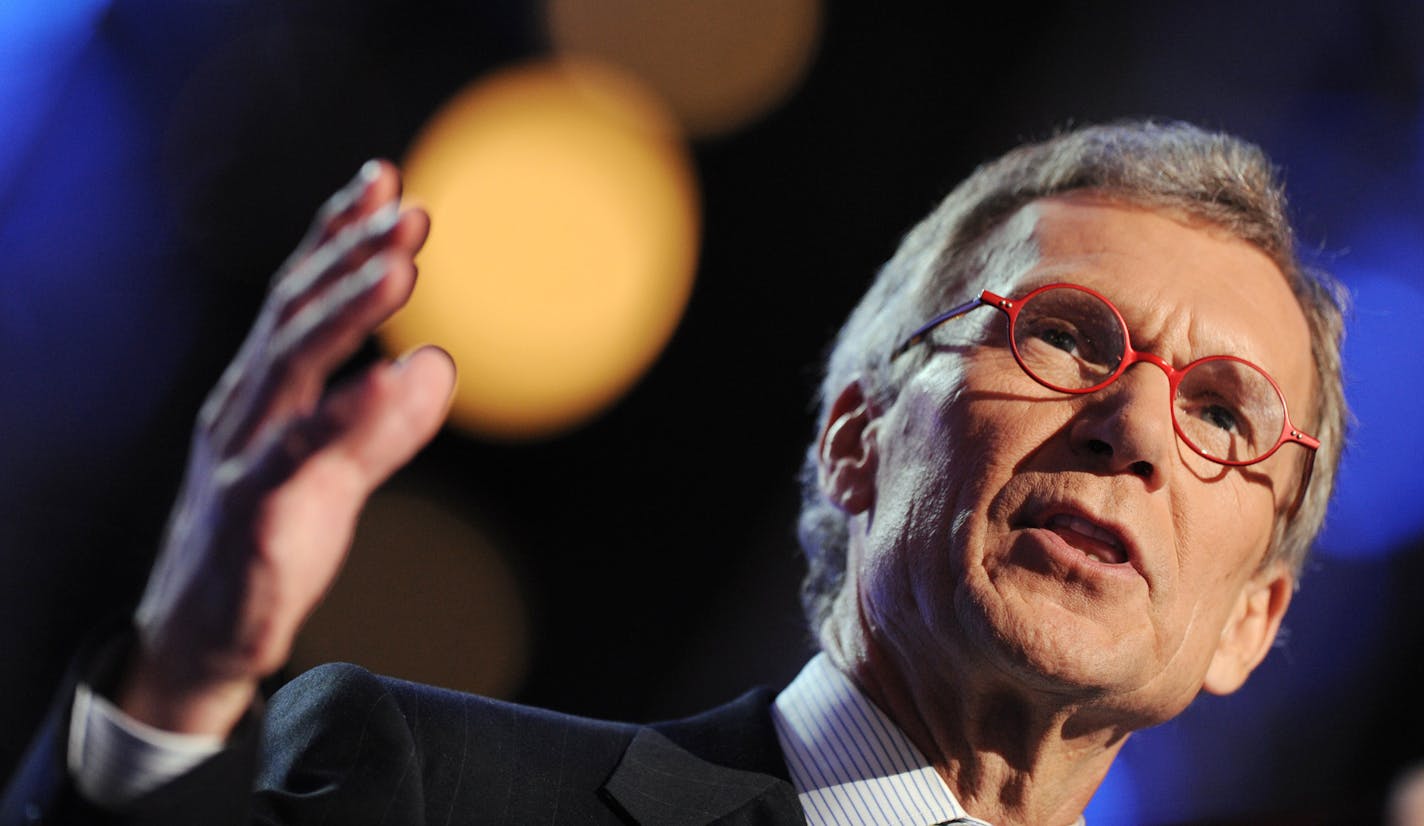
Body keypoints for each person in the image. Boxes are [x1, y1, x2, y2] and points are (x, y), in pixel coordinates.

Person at [1, 119, 1348, 826]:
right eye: (1067, 333)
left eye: (1228, 413)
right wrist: (181, 678)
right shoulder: (426, 788)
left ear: (1253, 622)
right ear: (857, 438)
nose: (1133, 426)